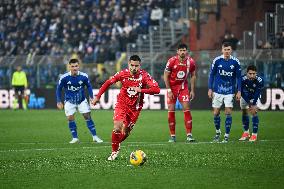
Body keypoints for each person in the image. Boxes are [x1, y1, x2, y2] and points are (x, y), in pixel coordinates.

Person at [93, 55, 160, 160]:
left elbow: (156, 90)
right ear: (129, 64)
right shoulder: (123, 74)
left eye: (136, 66)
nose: (134, 68)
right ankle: (114, 152)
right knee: (117, 126)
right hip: (122, 104)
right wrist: (97, 96)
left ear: (140, 65)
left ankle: (117, 143)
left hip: (135, 108)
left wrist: (140, 90)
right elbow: (108, 82)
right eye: (132, 65)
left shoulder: (144, 76)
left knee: (126, 131)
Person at [56, 58, 103, 144]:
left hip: (81, 100)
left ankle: (95, 136)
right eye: (72, 66)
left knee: (87, 116)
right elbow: (58, 89)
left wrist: (92, 97)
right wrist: (58, 101)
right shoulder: (64, 77)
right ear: (69, 67)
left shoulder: (84, 76)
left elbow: (89, 86)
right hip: (69, 101)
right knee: (70, 118)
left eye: (76, 66)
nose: (74, 68)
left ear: (79, 66)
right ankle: (75, 138)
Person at [208, 42, 242, 143]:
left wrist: (239, 91)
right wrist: (210, 88)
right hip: (218, 91)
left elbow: (239, 77)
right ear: (222, 50)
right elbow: (211, 75)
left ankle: (226, 136)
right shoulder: (217, 60)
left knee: (228, 112)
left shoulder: (235, 62)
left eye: (228, 50)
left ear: (231, 50)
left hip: (230, 91)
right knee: (216, 113)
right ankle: (218, 133)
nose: (227, 51)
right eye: (225, 49)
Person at [164, 43, 197, 143]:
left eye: (184, 50)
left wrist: (192, 90)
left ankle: (189, 135)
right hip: (172, 88)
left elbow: (193, 76)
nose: (183, 52)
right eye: (181, 50)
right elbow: (165, 76)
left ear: (186, 51)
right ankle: (172, 136)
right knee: (171, 110)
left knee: (187, 108)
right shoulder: (171, 61)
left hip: (183, 88)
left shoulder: (191, 62)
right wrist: (169, 90)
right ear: (177, 51)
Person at [239, 65, 264, 142]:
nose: (252, 75)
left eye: (254, 73)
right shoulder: (242, 79)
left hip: (254, 97)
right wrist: (249, 103)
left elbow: (257, 92)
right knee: (244, 112)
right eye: (250, 73)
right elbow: (242, 92)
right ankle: (246, 132)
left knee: (254, 112)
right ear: (247, 73)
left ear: (256, 73)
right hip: (245, 97)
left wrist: (253, 104)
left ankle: (254, 134)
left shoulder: (260, 80)